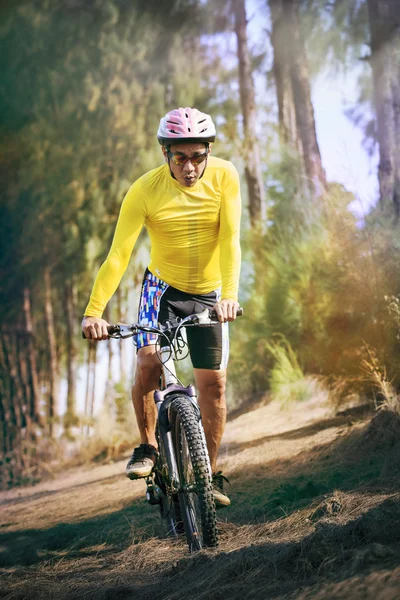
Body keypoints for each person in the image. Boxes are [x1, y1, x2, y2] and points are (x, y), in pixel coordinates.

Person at [81, 107, 241, 507]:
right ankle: (148, 446)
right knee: (149, 364)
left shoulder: (225, 177)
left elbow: (230, 240)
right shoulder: (144, 190)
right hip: (162, 290)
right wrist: (93, 311)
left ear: (208, 152)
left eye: (198, 156)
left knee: (214, 388)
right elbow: (118, 255)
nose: (190, 167)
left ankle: (210, 476)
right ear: (165, 154)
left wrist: (229, 295)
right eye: (180, 157)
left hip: (209, 292)